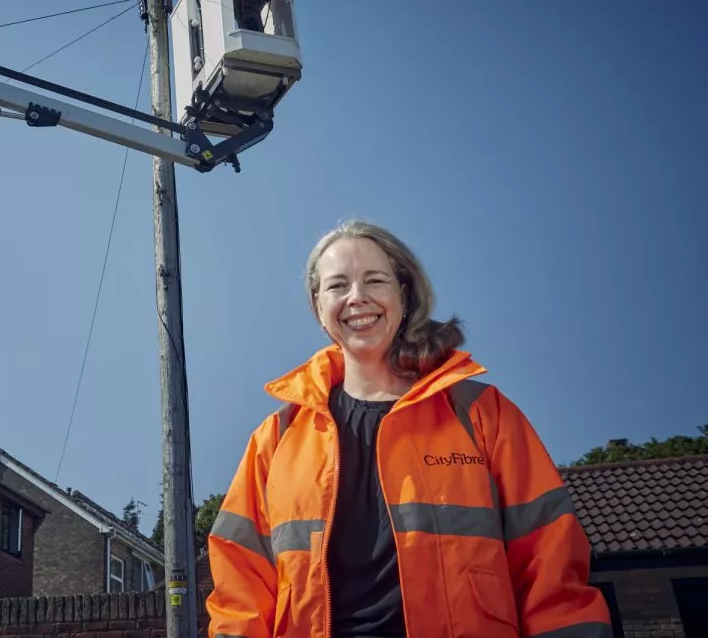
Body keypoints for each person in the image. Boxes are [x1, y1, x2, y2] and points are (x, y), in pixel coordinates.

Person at [205, 219, 612, 638]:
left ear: (404, 293)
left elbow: (551, 565)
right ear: (318, 307)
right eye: (337, 285)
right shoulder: (276, 438)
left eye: (375, 280)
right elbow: (241, 587)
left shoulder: (483, 414)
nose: (356, 298)